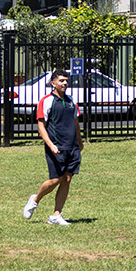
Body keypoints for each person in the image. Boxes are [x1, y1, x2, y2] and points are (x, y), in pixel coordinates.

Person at [22, 70, 80, 226]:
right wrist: (51, 144)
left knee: (67, 179)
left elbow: (75, 123)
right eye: (61, 80)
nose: (65, 83)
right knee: (55, 179)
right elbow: (41, 126)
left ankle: (56, 215)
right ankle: (34, 200)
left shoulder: (71, 101)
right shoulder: (46, 101)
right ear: (53, 83)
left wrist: (79, 142)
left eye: (66, 80)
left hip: (71, 147)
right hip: (56, 146)